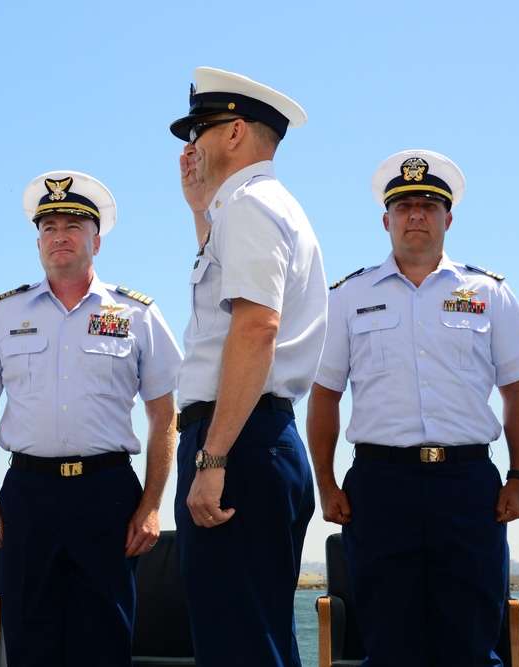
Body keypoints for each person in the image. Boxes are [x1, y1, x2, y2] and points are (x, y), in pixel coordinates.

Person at [307, 149, 519, 666]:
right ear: (386, 219)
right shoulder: (348, 297)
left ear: (448, 218)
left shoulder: (488, 294)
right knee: (389, 644)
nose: (416, 215)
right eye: (405, 205)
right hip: (379, 488)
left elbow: (518, 392)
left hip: (468, 490)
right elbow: (325, 394)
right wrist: (325, 482)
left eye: (429, 205)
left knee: (470, 644)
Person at [0, 171, 182, 667]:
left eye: (74, 225)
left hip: (108, 494)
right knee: (29, 634)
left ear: (96, 240)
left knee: (104, 636)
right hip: (28, 496)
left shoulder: (137, 314)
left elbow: (164, 414)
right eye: (50, 225)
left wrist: (150, 505)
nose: (60, 235)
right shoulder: (4, 314)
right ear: (38, 241)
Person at [169, 67, 328, 665]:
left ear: (235, 132)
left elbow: (256, 328)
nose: (192, 148)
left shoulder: (249, 206)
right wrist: (199, 210)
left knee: (236, 643)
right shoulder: (254, 207)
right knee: (258, 636)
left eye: (201, 130)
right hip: (256, 438)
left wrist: (213, 457)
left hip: (237, 441)